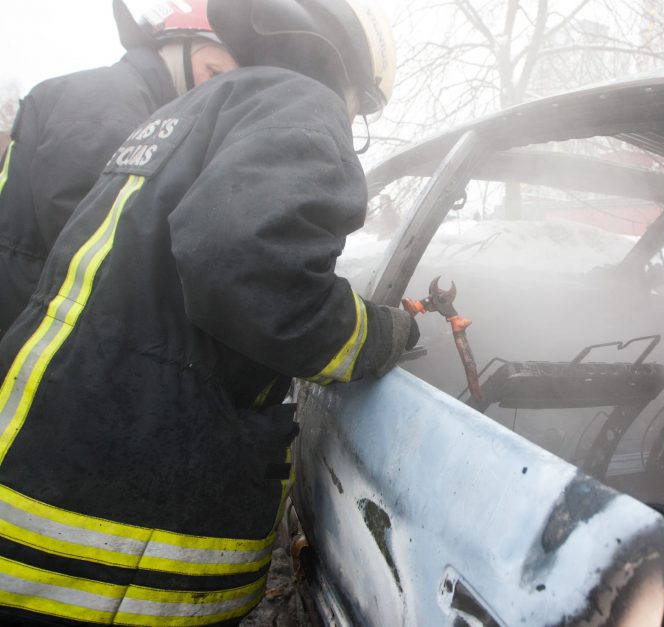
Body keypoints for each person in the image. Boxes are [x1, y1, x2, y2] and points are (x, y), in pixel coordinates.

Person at [0, 0, 415, 623]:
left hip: (43, 485)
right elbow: (251, 273)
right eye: (358, 107)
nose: (348, 118)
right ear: (346, 74)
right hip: (109, 542)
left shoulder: (189, 112)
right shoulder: (299, 103)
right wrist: (380, 332)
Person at [0, 0, 238, 338]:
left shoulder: (141, 105)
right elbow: (90, 236)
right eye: (213, 73)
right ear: (174, 46)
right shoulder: (110, 104)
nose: (214, 92)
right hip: (23, 316)